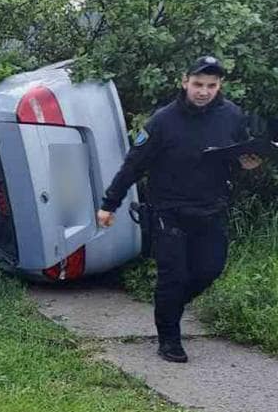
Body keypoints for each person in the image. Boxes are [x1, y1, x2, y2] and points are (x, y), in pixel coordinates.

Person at [97, 55, 263, 363]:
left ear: (219, 86)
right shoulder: (163, 121)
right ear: (184, 82)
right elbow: (134, 165)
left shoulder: (232, 115)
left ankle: (169, 307)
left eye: (211, 86)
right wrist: (109, 204)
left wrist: (248, 163)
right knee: (172, 277)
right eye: (198, 84)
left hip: (211, 209)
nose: (203, 91)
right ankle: (169, 339)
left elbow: (239, 153)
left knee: (209, 269)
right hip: (168, 210)